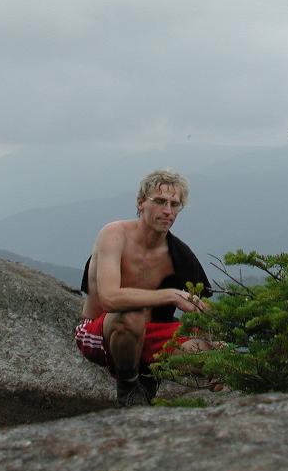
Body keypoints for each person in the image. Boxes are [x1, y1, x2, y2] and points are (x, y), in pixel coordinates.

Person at [74, 169, 213, 407]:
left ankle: (148, 374)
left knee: (216, 353)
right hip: (103, 331)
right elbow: (109, 299)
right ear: (140, 203)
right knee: (130, 315)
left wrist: (213, 352)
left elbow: (206, 312)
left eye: (174, 204)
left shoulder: (179, 255)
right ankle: (129, 387)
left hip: (154, 333)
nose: (167, 211)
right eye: (159, 201)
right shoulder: (114, 235)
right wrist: (170, 295)